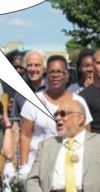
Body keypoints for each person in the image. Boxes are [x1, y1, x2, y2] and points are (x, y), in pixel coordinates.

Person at [18, 55, 93, 184]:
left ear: (66, 75)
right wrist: (24, 167)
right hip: (38, 165)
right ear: (47, 75)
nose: (55, 76)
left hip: (70, 166)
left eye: (59, 72)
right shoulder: (33, 101)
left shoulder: (78, 102)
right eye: (52, 72)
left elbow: (87, 135)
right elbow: (25, 135)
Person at [12, 50, 46, 118]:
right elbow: (15, 120)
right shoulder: (20, 92)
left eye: (37, 65)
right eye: (29, 65)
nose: (33, 69)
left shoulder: (54, 90)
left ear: (44, 68)